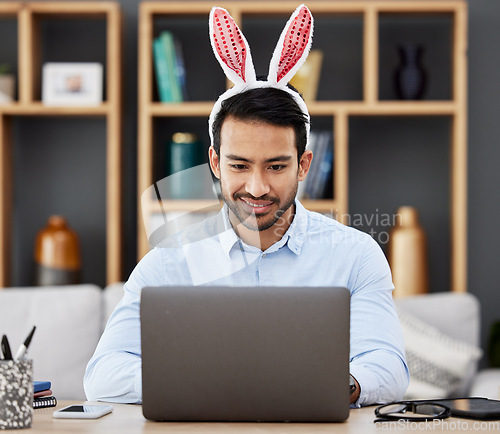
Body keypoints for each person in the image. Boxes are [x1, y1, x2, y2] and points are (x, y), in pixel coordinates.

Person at [84, 4, 408, 407]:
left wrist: (332, 385)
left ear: (303, 164)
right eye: (240, 165)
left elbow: (388, 367)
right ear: (216, 163)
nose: (257, 187)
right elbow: (103, 375)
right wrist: (210, 382)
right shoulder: (168, 261)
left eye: (276, 166)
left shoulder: (357, 256)